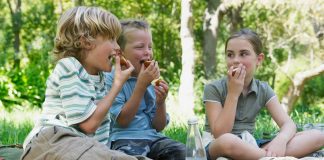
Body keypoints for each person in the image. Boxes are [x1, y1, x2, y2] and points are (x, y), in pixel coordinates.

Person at [20, 6, 145, 160]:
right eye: (111, 39)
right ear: (86, 41)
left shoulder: (101, 78)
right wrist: (117, 86)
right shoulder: (69, 66)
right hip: (52, 140)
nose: (118, 47)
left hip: (82, 146)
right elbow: (88, 125)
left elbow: (96, 139)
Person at [203, 28, 324, 160]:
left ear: (259, 59)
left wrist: (280, 141)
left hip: (250, 145)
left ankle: (262, 156)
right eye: (230, 54)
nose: (236, 60)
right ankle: (269, 157)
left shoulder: (263, 89)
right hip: (218, 145)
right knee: (227, 141)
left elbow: (288, 124)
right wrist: (233, 93)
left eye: (243, 54)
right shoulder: (213, 88)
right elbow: (220, 133)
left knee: (317, 136)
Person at [105, 19, 186, 160]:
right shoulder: (113, 79)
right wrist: (141, 86)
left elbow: (158, 126)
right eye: (140, 47)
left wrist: (161, 103)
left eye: (150, 47)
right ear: (120, 53)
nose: (147, 53)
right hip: (124, 139)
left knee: (183, 152)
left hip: (154, 138)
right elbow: (123, 121)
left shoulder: (151, 79)